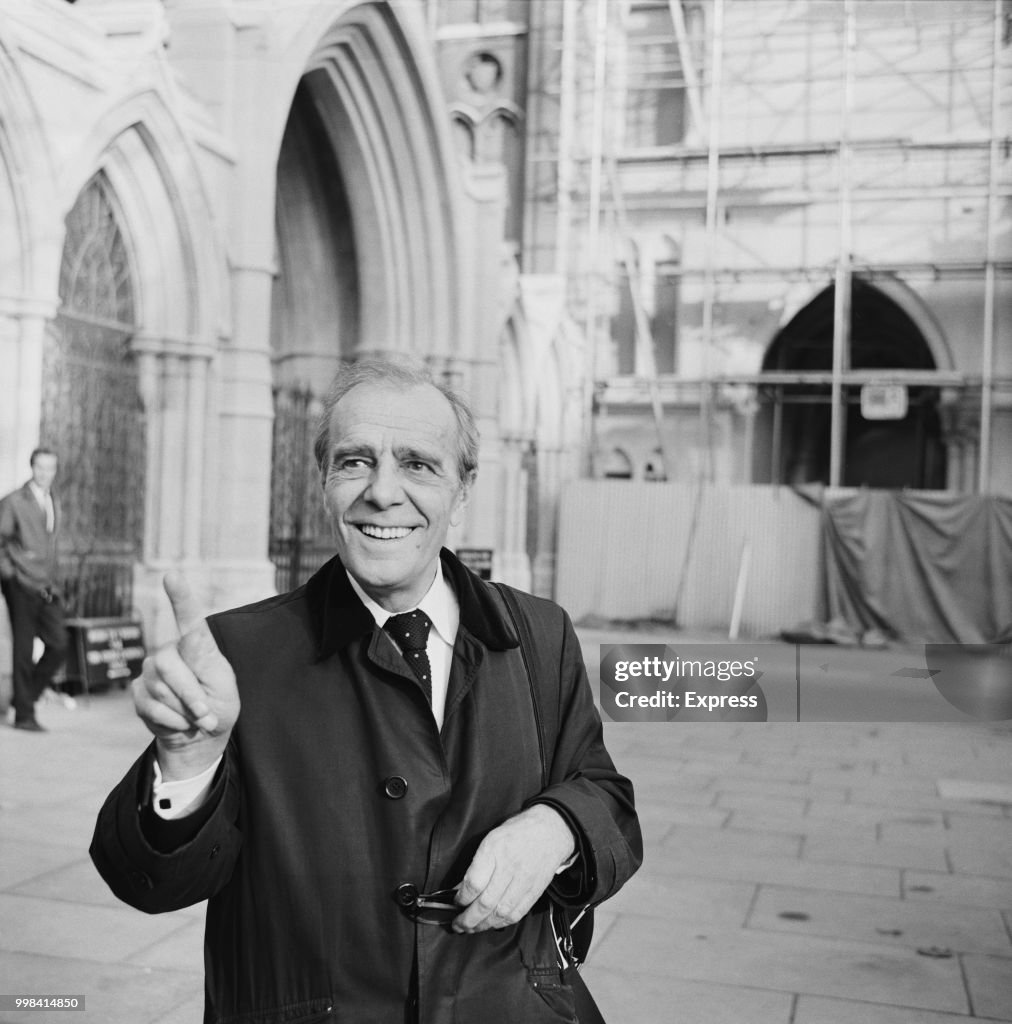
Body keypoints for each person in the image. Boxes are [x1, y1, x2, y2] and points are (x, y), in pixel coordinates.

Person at [90, 358, 641, 1024]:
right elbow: (150, 883)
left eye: (418, 465)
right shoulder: (240, 654)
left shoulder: (539, 635)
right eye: (354, 462)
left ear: (463, 490)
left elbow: (606, 796)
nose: (382, 492)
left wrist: (557, 828)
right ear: (323, 480)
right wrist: (186, 763)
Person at [0, 447, 68, 732]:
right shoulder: (14, 501)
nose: (45, 473)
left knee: (59, 644)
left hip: (46, 585)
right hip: (21, 584)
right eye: (40, 467)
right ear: (32, 467)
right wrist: (10, 576)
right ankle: (24, 715)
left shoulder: (54, 499)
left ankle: (23, 699)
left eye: (50, 468)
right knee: (24, 650)